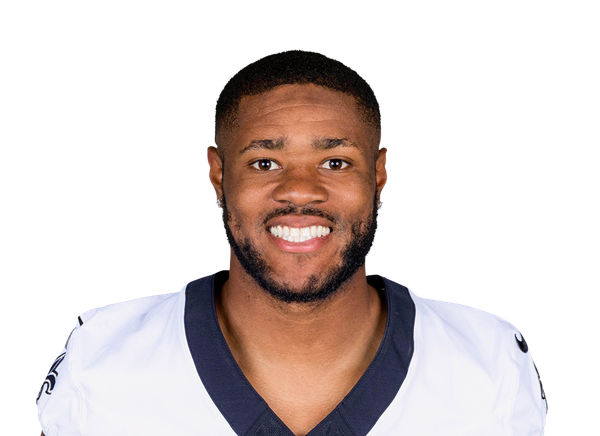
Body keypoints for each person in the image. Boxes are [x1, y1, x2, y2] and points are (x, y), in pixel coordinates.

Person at [37, 50, 547, 436]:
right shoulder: (102, 357)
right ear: (218, 175)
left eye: (335, 162)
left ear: (378, 176)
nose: (300, 190)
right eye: (265, 163)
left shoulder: (488, 361)